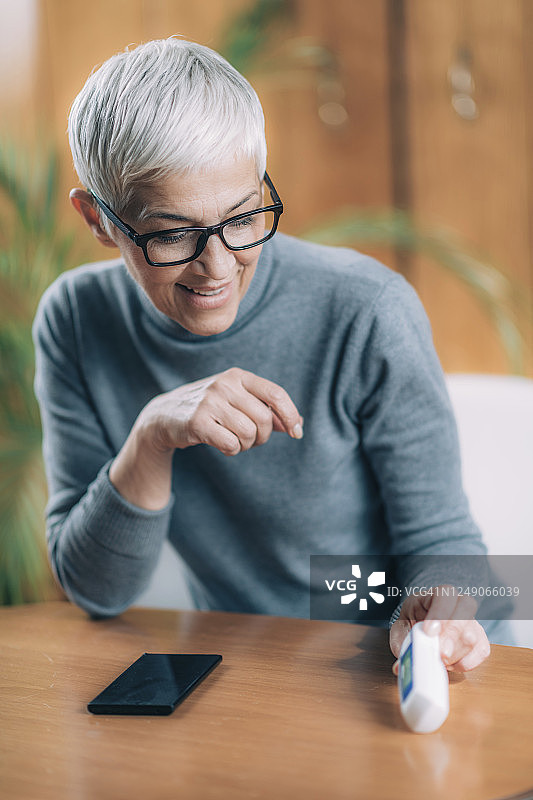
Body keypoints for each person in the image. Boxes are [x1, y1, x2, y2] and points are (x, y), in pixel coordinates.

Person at [33, 37, 497, 674]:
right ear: (98, 218)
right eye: (172, 233)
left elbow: (445, 543)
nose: (217, 267)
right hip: (249, 667)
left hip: (396, 664)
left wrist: (436, 618)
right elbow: (94, 590)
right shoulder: (77, 320)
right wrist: (151, 438)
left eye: (244, 217)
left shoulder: (366, 308)